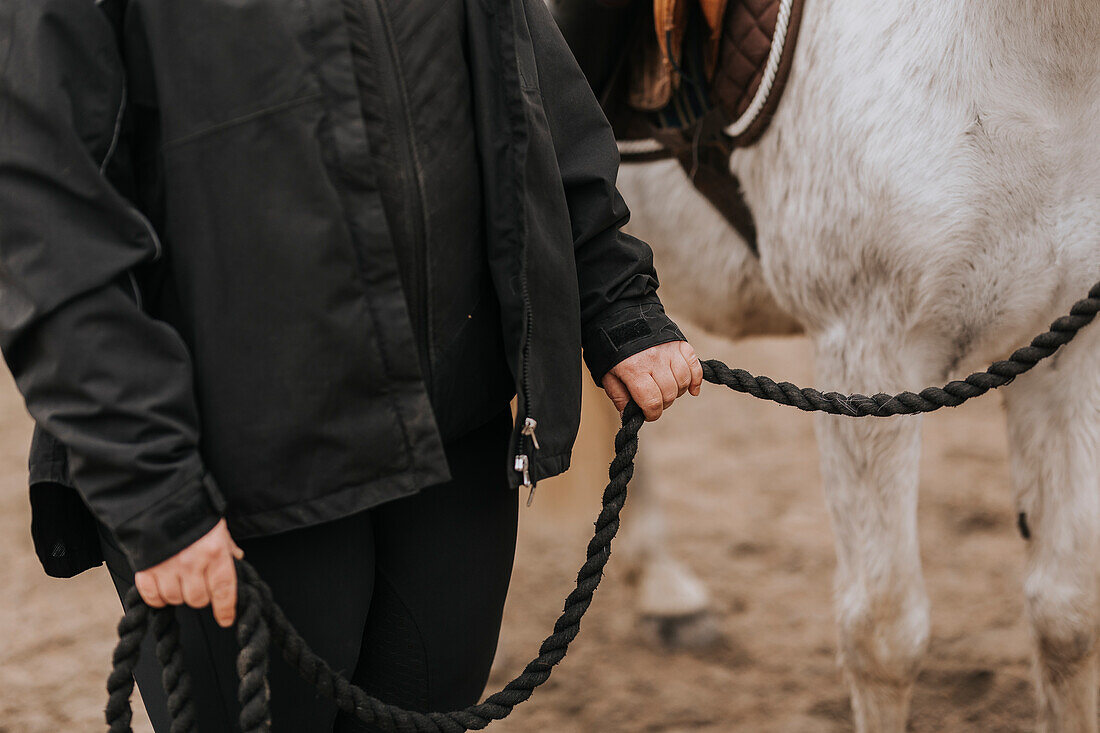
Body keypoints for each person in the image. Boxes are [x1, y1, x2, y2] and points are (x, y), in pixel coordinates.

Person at [0, 0, 702, 730]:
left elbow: (519, 62)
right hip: (238, 473)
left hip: (452, 435)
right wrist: (149, 485)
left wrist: (614, 296)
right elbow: (45, 215)